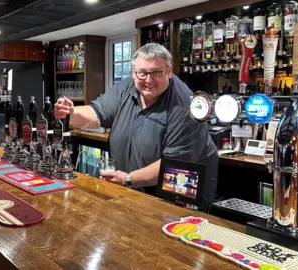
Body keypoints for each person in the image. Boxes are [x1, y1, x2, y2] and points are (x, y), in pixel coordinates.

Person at [54, 43, 218, 209]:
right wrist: (69, 113)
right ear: (133, 72)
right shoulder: (126, 88)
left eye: (156, 72)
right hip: (134, 188)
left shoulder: (184, 105)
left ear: (168, 72)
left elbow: (174, 165)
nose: (148, 79)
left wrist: (128, 179)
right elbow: (97, 113)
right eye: (142, 73)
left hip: (178, 190)